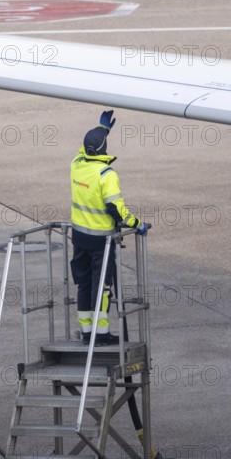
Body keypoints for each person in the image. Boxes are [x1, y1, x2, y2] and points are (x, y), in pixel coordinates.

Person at [70, 110, 148, 345]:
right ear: (104, 149)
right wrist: (138, 225)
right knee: (102, 287)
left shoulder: (76, 164)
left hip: (78, 237)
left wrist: (101, 128)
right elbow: (117, 210)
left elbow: (83, 148)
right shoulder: (106, 174)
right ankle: (101, 334)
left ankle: (86, 331)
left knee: (83, 284)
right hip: (100, 241)